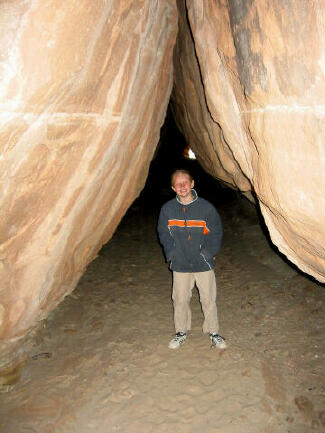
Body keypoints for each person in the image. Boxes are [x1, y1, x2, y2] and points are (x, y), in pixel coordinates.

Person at [158, 169, 227, 350]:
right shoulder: (168, 210)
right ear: (173, 188)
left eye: (185, 183)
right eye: (178, 184)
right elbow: (164, 233)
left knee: (208, 298)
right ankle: (181, 331)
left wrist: (208, 252)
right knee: (180, 299)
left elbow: (216, 232)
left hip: (202, 263)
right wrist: (171, 253)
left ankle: (213, 332)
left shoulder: (206, 208)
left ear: (192, 184)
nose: (182, 187)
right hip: (180, 263)